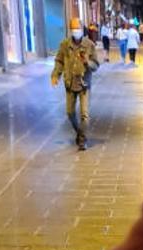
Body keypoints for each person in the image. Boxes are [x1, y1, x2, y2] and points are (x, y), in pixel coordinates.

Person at [51, 18, 99, 151]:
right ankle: (79, 132)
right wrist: (55, 75)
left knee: (84, 115)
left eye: (77, 28)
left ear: (82, 29)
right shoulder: (65, 45)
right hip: (70, 83)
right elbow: (59, 61)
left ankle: (82, 140)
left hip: (84, 85)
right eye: (73, 29)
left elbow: (96, 65)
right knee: (69, 113)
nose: (76, 31)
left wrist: (87, 62)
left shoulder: (89, 45)